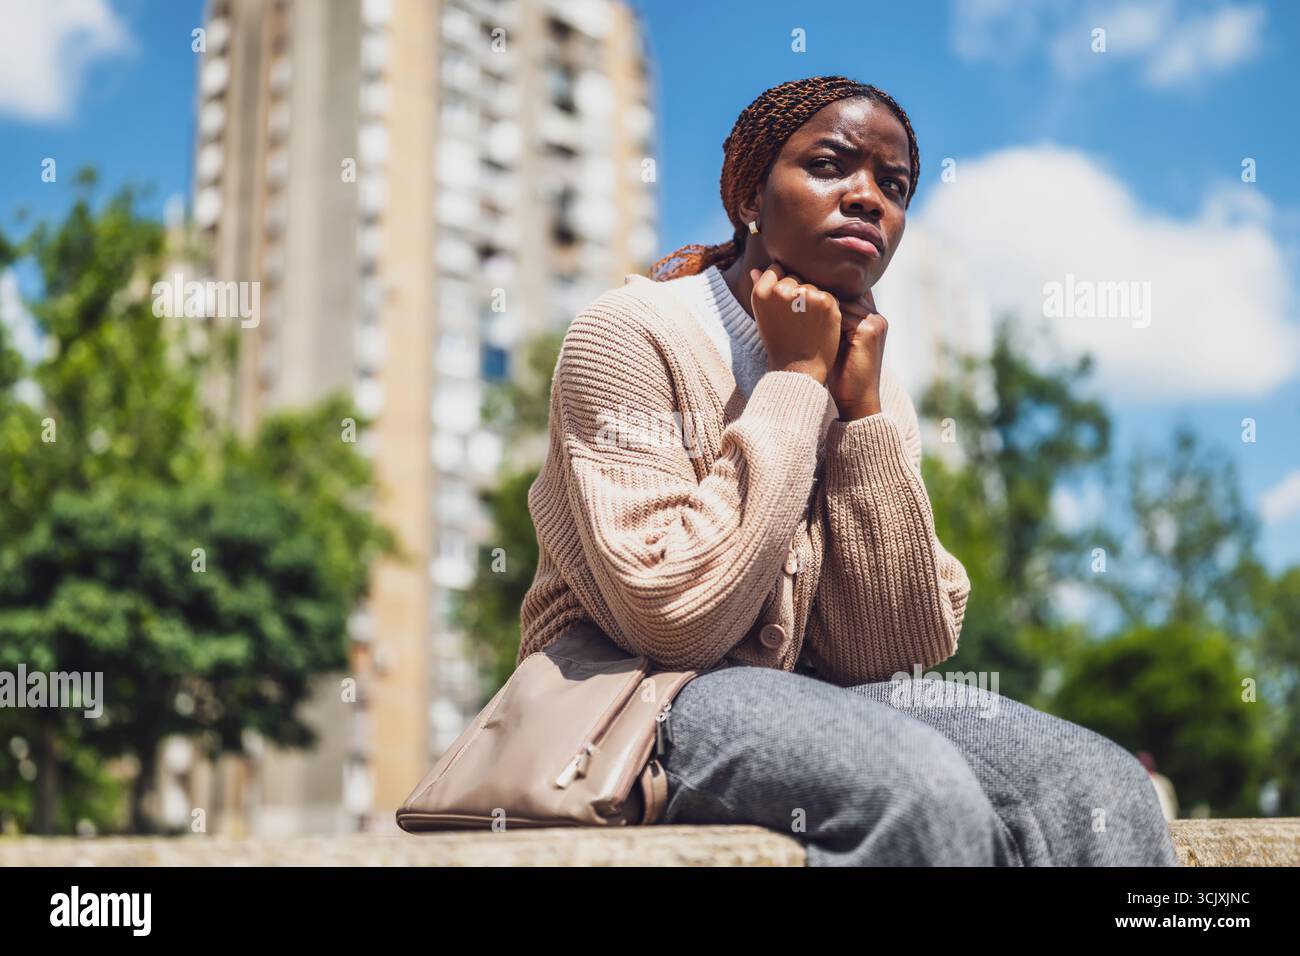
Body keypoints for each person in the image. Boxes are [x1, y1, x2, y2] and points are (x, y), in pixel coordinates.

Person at [518, 74, 1178, 866]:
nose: (868, 197)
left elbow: (889, 653)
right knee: (916, 791)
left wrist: (861, 421)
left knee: (1103, 787)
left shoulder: (875, 384)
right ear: (751, 197)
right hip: (639, 698)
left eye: (893, 186)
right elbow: (674, 619)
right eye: (831, 166)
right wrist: (795, 384)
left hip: (822, 704)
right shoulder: (630, 333)